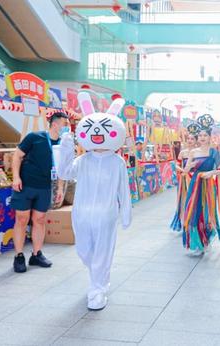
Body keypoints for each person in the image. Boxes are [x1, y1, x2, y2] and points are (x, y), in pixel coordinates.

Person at [58, 93, 131, 311]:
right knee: (84, 251)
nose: (98, 134)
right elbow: (64, 172)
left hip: (106, 214)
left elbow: (123, 190)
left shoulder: (117, 162)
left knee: (102, 252)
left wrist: (126, 213)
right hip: (81, 214)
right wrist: (65, 148)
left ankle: (98, 289)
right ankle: (98, 277)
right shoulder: (83, 160)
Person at [10, 112, 69, 273]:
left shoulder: (64, 143)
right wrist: (16, 177)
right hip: (25, 184)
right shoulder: (34, 137)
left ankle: (36, 254)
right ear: (55, 124)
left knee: (40, 219)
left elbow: (62, 167)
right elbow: (17, 156)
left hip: (45, 187)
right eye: (65, 123)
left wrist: (60, 188)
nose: (67, 127)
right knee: (22, 219)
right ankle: (19, 256)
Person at [182, 114, 220, 255]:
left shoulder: (214, 152)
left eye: (205, 135)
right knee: (195, 213)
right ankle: (197, 243)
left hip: (208, 186)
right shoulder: (193, 152)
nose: (202, 138)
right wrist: (190, 165)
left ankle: (206, 238)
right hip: (195, 186)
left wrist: (212, 172)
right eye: (200, 135)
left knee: (207, 213)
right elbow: (185, 172)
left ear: (210, 137)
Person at [171, 124, 199, 232]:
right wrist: (182, 170)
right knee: (183, 200)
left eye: (192, 139)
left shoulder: (198, 152)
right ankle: (184, 222)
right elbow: (177, 164)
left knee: (194, 200)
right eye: (188, 139)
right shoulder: (183, 152)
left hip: (194, 178)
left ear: (196, 141)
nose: (190, 140)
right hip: (183, 179)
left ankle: (193, 221)